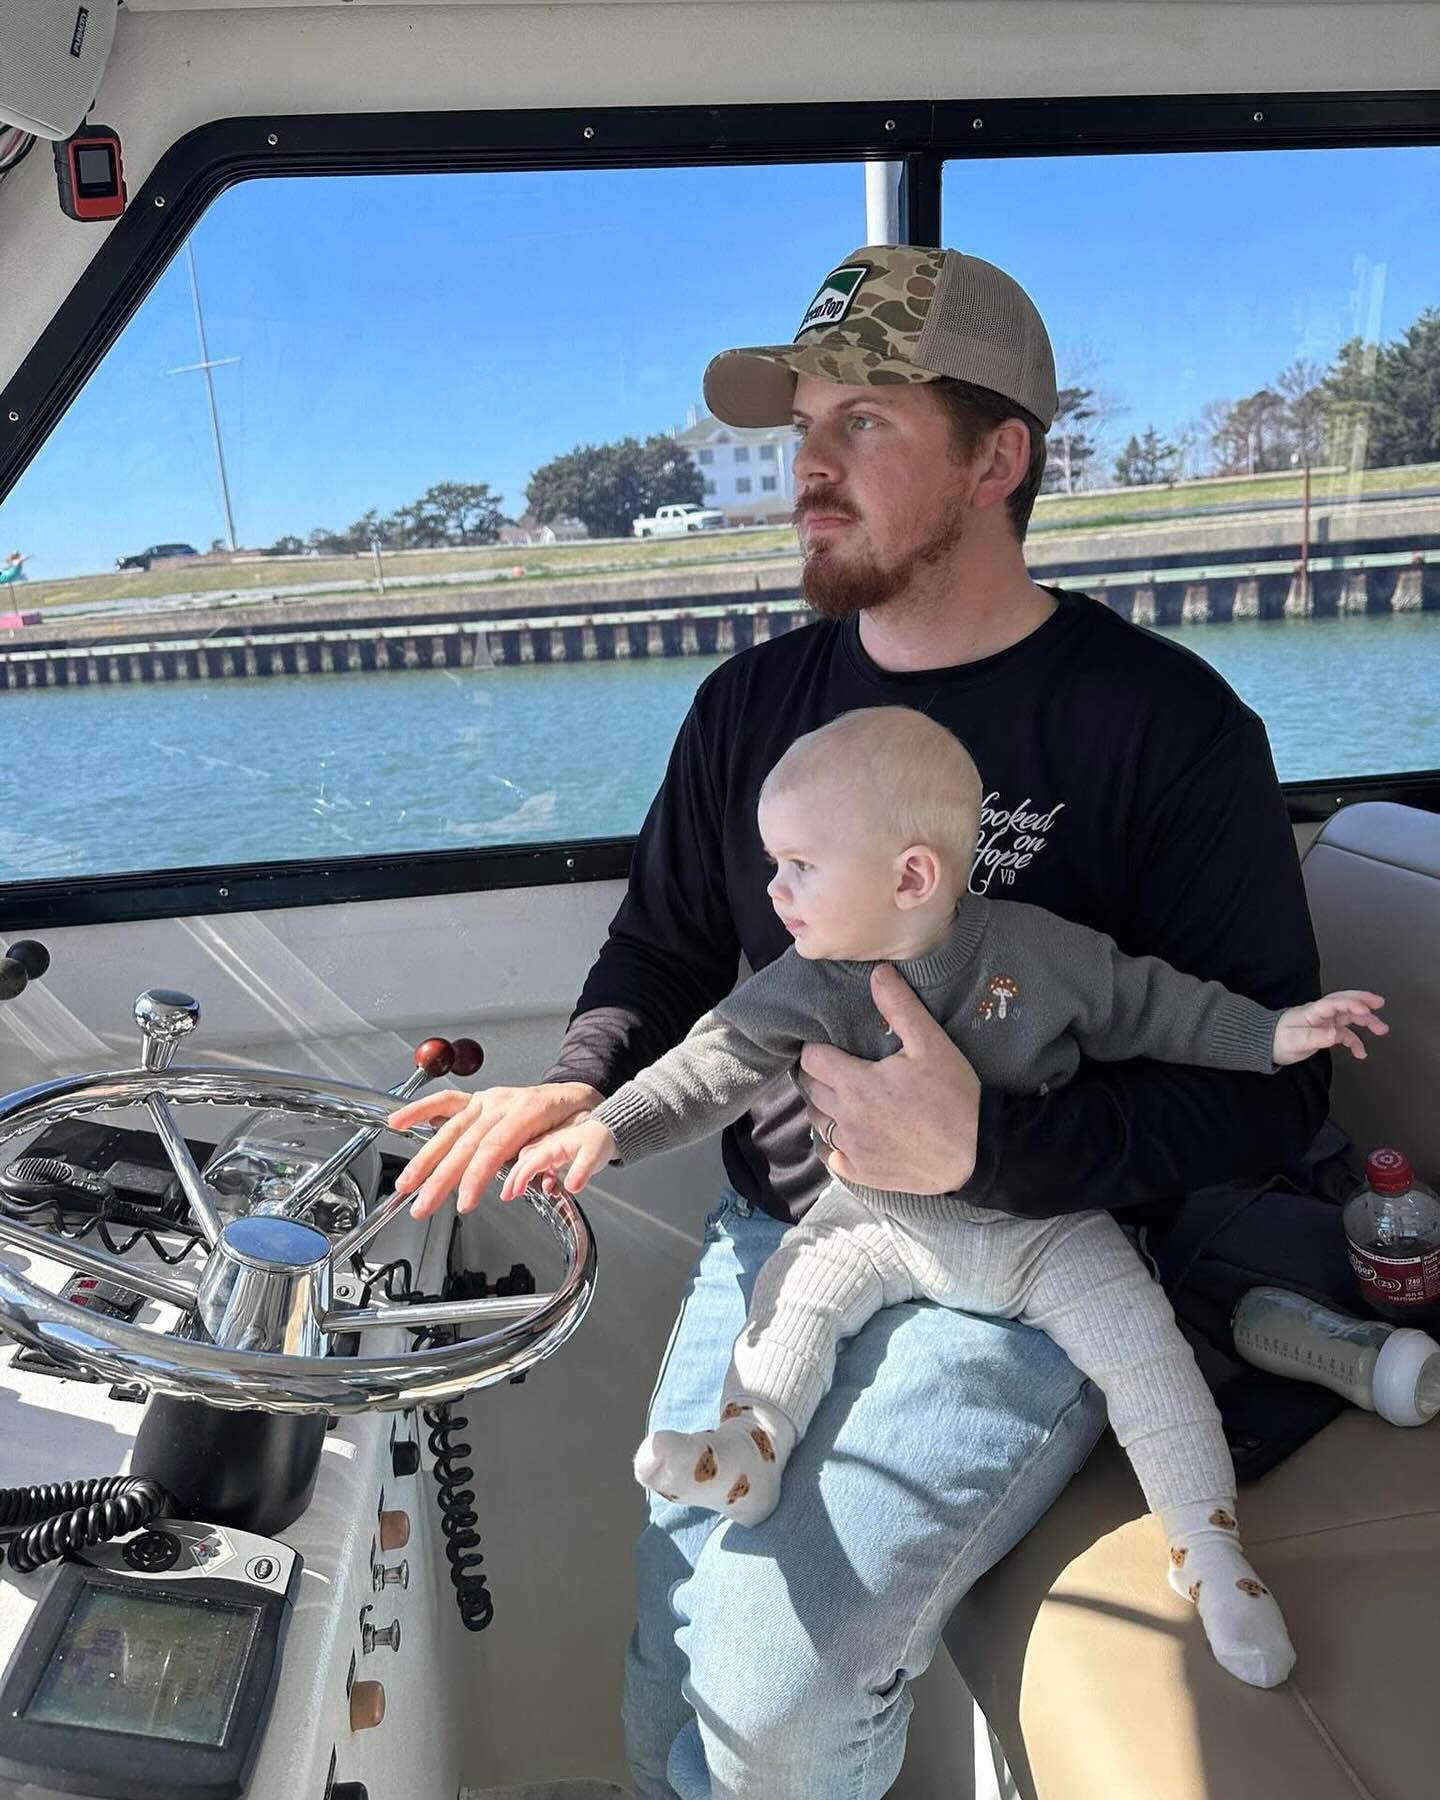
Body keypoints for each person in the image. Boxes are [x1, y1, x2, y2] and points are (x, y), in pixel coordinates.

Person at [390, 245, 1330, 1798]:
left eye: (865, 424)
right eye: (804, 422)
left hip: (1020, 1276)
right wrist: (578, 1086)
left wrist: (1002, 1141)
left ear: (997, 460)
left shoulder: (1170, 729)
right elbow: (665, 945)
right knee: (669, 1654)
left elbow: (1273, 1096)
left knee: (775, 1698)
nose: (806, 466)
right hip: (787, 1244)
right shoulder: (748, 708)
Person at [499, 705, 1386, 1691]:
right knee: (792, 1297)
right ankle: (754, 1441)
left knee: (1148, 1354)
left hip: (1039, 1229)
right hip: (875, 1223)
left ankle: (1209, 1546)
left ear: (911, 877)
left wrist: (1274, 1035)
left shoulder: (1042, 954)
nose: (773, 891)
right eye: (773, 865)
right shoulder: (806, 982)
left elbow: (1162, 1006)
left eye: (798, 866)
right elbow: (712, 1064)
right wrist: (607, 1126)